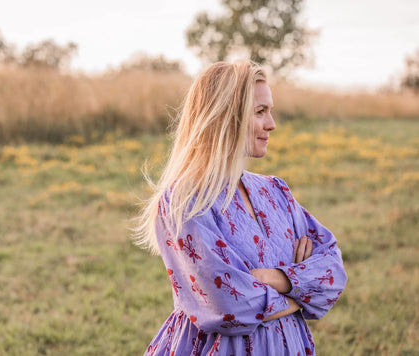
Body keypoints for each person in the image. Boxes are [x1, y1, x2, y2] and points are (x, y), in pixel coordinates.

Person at [133, 60, 347, 355]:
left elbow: (332, 272)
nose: (272, 124)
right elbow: (228, 306)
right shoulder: (186, 202)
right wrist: (301, 292)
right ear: (225, 116)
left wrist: (273, 278)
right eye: (260, 112)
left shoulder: (276, 191)